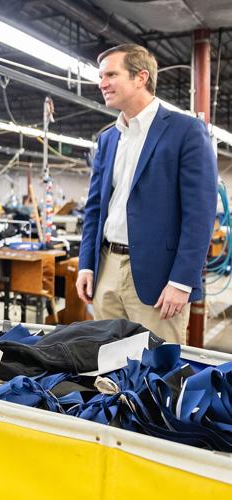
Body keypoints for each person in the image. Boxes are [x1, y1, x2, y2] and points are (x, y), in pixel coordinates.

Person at [76, 44, 217, 344]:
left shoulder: (186, 131)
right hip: (106, 269)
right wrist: (86, 264)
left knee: (156, 371)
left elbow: (200, 214)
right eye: (101, 76)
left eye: (111, 74)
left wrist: (182, 280)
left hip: (158, 275)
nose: (102, 83)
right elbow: (95, 208)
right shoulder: (108, 139)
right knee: (105, 364)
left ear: (141, 78)